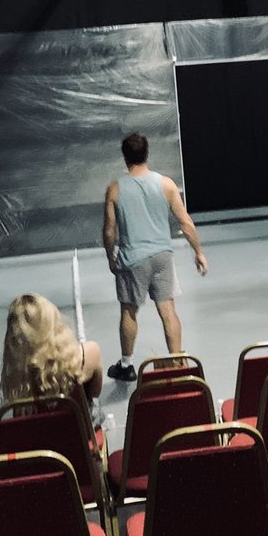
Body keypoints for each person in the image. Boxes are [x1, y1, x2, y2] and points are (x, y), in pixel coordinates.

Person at [102, 131, 208, 383]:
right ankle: (178, 361)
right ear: (146, 154)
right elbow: (185, 222)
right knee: (168, 309)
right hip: (162, 257)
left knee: (129, 311)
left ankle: (126, 365)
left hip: (132, 259)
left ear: (125, 157)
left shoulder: (115, 188)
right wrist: (198, 252)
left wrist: (110, 256)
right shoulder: (166, 184)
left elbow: (109, 229)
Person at [0, 293, 103, 423]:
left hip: (35, 440)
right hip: (77, 435)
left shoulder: (15, 375)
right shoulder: (87, 354)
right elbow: (94, 394)